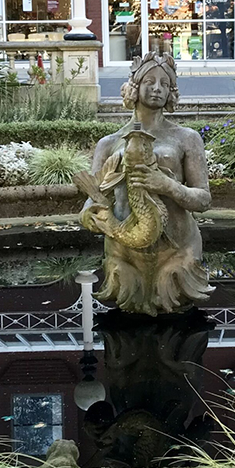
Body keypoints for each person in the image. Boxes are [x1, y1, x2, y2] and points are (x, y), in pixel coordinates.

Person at [80, 52, 212, 315]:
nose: (157, 88)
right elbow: (94, 196)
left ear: (171, 91)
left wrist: (168, 185)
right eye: (149, 81)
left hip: (177, 249)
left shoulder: (187, 138)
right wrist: (88, 214)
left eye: (165, 83)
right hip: (124, 253)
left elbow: (204, 199)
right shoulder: (108, 143)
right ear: (134, 87)